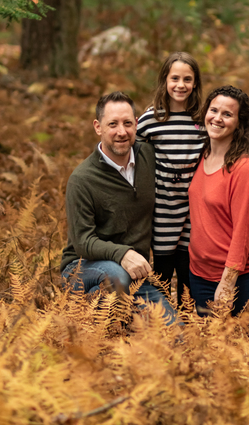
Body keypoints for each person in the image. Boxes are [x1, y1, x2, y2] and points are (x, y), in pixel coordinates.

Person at [137, 52, 249, 306]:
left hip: (193, 211)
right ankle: (160, 326)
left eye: (187, 79)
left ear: (195, 84)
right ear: (164, 81)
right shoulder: (151, 119)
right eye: (175, 78)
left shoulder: (200, 119)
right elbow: (129, 144)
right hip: (165, 208)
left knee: (186, 272)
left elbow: (229, 141)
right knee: (161, 271)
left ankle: (186, 318)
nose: (181, 85)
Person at [60, 91, 176, 324]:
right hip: (83, 268)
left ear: (136, 124)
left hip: (135, 275)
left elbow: (195, 147)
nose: (121, 132)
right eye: (112, 124)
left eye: (127, 123)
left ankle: (115, 314)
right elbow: (82, 241)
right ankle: (96, 318)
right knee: (115, 277)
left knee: (176, 335)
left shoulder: (149, 156)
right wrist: (122, 253)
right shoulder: (82, 179)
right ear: (98, 127)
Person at [188, 85, 249, 336]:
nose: (217, 118)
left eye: (227, 114)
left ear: (239, 123)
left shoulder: (243, 167)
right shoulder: (201, 153)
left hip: (245, 278)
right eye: (213, 110)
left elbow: (243, 230)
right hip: (201, 276)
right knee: (216, 360)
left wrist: (227, 284)